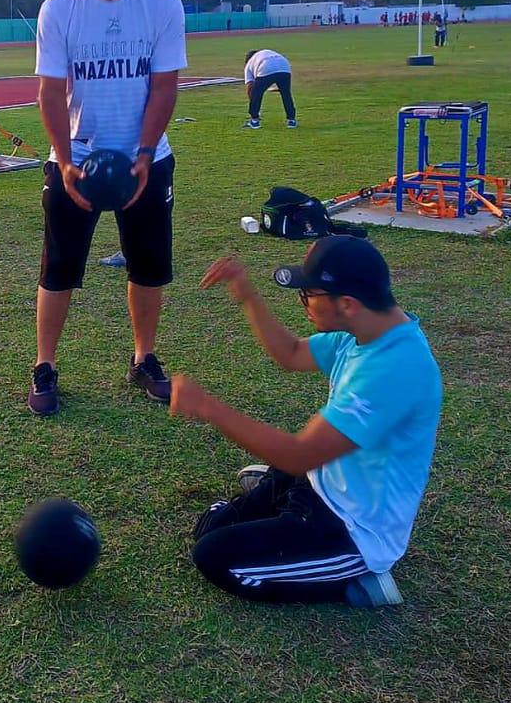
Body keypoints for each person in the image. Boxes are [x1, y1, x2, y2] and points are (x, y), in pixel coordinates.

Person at [169, 237, 442, 608]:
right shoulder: (361, 332)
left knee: (215, 558)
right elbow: (292, 353)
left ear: (346, 304)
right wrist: (247, 295)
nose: (304, 303)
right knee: (212, 528)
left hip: (352, 528)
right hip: (320, 481)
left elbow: (300, 455)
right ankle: (278, 492)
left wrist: (208, 407)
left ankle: (353, 579)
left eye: (308, 294)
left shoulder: (394, 369)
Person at [29, 0, 185, 416]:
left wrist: (144, 153)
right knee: (59, 268)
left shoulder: (162, 5)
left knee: (147, 267)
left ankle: (144, 358)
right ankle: (45, 367)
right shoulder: (59, 9)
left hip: (146, 159)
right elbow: (50, 93)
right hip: (77, 159)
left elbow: (164, 87)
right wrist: (65, 158)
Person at [242, 48, 296, 128]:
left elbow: (250, 87)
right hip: (284, 66)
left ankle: (254, 121)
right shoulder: (265, 53)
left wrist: (253, 104)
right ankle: (291, 120)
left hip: (265, 67)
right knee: (286, 94)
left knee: (256, 94)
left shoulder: (249, 64)